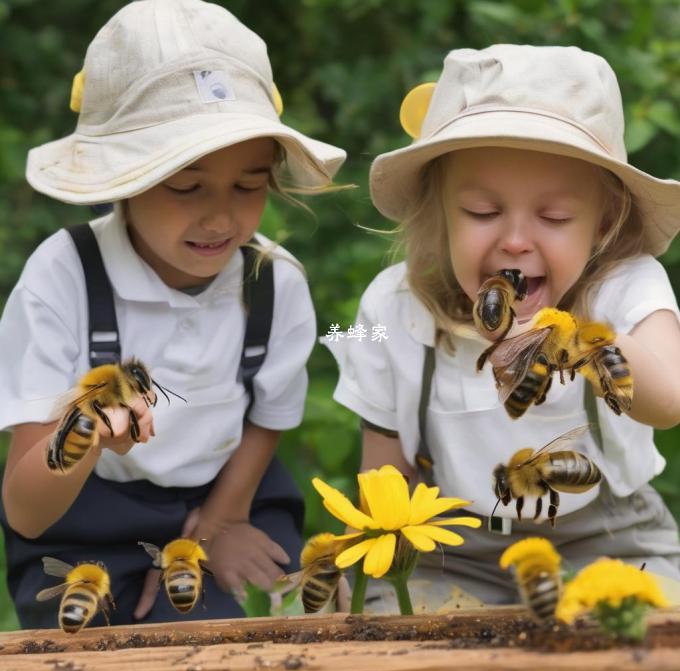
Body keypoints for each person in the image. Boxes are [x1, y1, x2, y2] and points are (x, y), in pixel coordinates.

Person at [0, 0, 346, 627]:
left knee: (280, 632)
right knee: (90, 655)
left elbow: (268, 417)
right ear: (123, 178)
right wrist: (83, 435)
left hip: (229, 492)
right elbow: (26, 510)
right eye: (186, 187)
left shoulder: (274, 281)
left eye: (248, 186)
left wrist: (222, 520)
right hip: (80, 518)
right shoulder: (64, 274)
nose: (220, 218)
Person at [324, 44, 680, 609]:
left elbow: (668, 400)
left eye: (555, 217)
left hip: (609, 540)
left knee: (646, 641)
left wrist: (585, 343)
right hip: (451, 551)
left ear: (603, 220)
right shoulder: (394, 310)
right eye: (482, 213)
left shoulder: (626, 287)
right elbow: (383, 470)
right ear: (437, 211)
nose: (515, 240)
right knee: (396, 637)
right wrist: (364, 560)